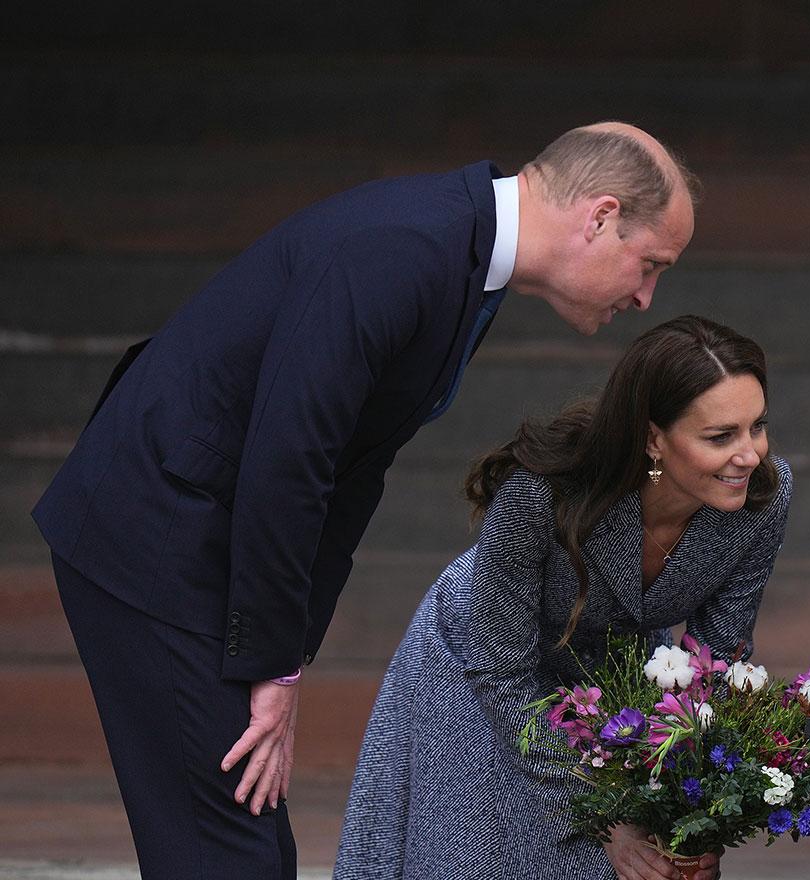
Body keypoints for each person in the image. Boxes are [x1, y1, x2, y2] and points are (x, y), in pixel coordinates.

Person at [31, 121, 698, 880]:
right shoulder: (408, 246)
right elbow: (292, 458)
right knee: (224, 847)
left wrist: (287, 655)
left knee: (242, 839)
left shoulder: (460, 249)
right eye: (649, 265)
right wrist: (274, 667)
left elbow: (352, 468)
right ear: (601, 216)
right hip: (153, 532)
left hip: (196, 533)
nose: (646, 295)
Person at [334, 315, 791, 880]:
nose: (749, 455)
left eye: (758, 426)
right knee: (496, 853)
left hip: (614, 676)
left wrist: (690, 812)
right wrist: (611, 812)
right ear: (653, 438)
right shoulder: (539, 491)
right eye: (721, 437)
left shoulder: (764, 497)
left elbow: (713, 662)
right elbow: (501, 674)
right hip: (482, 672)